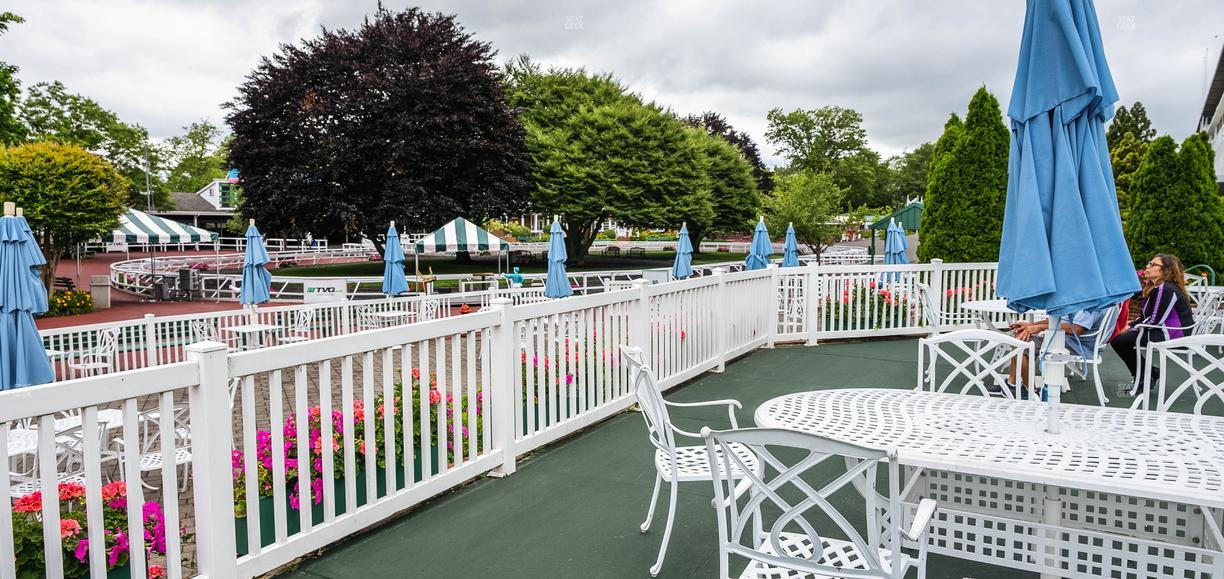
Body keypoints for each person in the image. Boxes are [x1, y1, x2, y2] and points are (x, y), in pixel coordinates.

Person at [1109, 254, 1195, 391]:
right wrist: (1131, 324)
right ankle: (1147, 374)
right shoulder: (1162, 287)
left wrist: (1130, 327)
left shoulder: (1165, 288)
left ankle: (1145, 377)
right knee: (1120, 339)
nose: (1147, 266)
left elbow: (1155, 320)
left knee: (1119, 340)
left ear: (1166, 270)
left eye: (1153, 264)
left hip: (1174, 334)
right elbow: (1148, 316)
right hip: (1169, 331)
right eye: (1149, 263)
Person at [1004, 309, 1107, 396]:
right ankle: (1013, 384)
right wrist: (1031, 325)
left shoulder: (1091, 302)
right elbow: (1058, 321)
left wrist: (1039, 327)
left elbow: (1077, 329)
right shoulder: (1086, 296)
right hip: (1071, 339)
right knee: (1021, 337)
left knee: (1021, 343)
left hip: (1078, 345)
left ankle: (1030, 393)